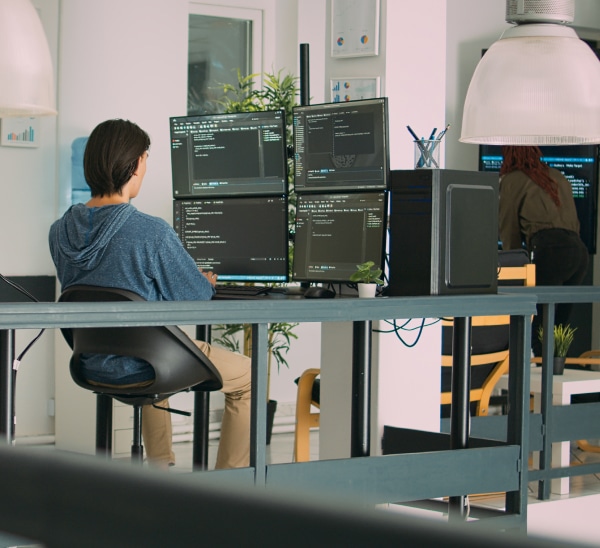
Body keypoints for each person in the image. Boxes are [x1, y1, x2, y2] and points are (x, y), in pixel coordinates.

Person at [49, 119, 251, 469]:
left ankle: (160, 473)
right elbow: (194, 296)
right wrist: (205, 280)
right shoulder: (149, 231)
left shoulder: (60, 232)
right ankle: (229, 486)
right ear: (137, 164)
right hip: (145, 365)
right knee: (248, 375)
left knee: (152, 342)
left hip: (90, 362)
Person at [498, 145, 589, 355]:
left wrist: (513, 267)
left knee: (538, 324)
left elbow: (508, 228)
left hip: (551, 250)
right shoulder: (556, 175)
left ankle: (532, 381)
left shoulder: (512, 180)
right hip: (578, 252)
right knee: (559, 329)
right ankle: (553, 375)